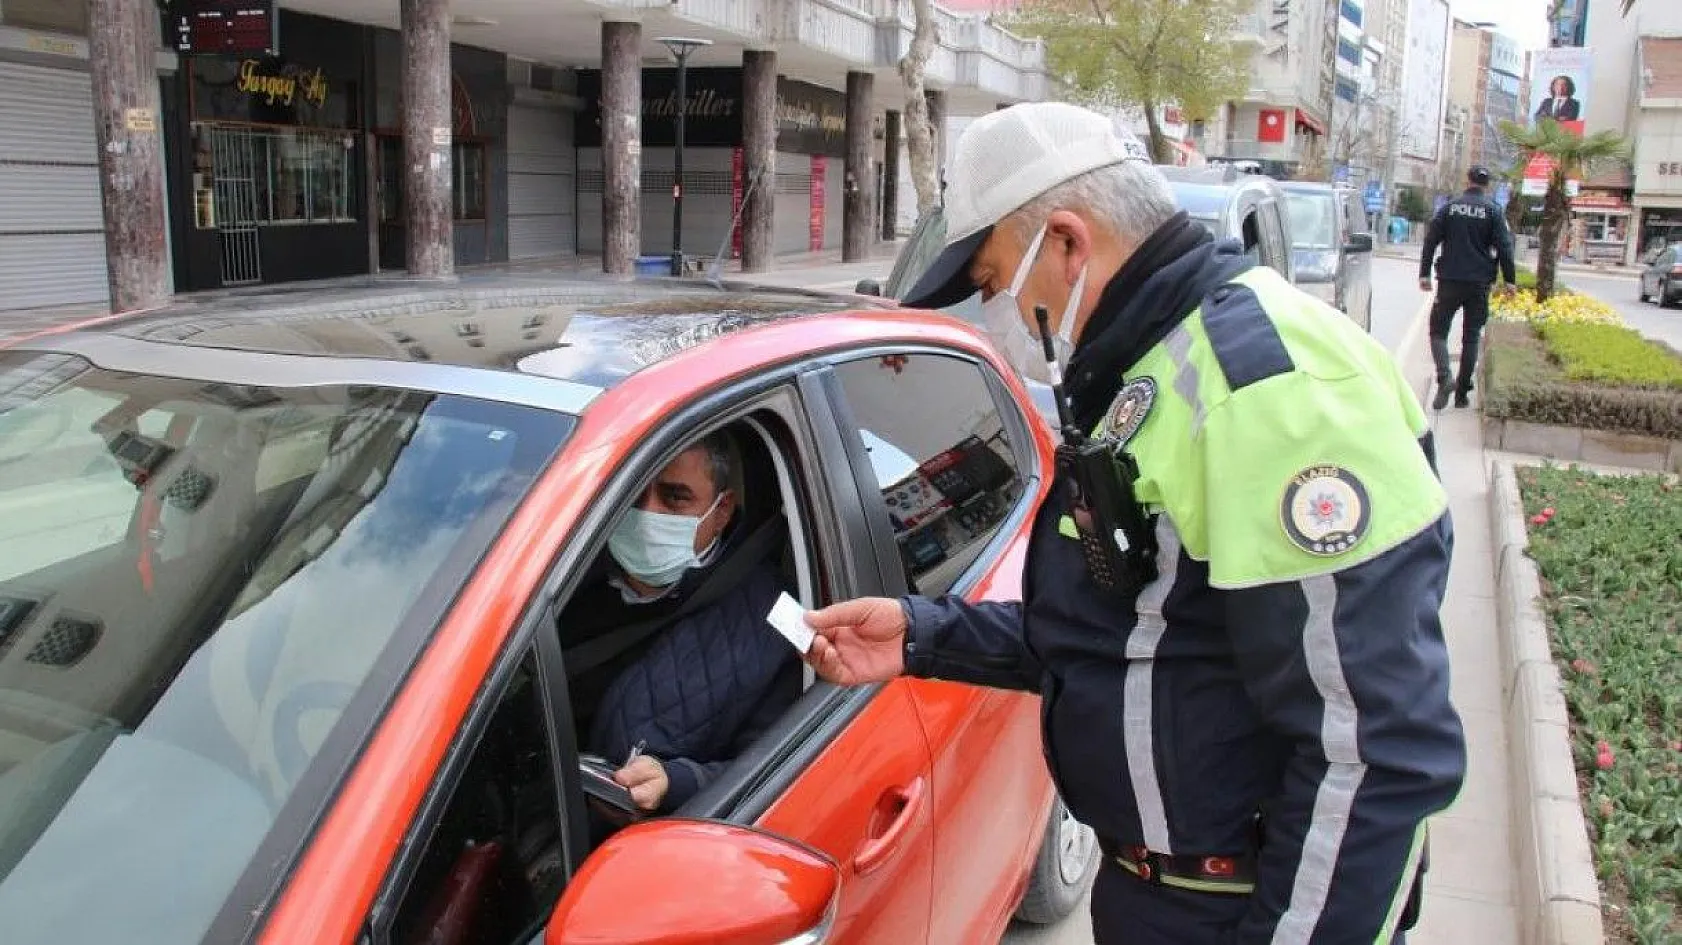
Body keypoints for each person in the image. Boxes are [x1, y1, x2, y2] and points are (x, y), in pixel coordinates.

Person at [800, 102, 1466, 945]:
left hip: (1241, 905)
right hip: (1160, 893)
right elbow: (1133, 630)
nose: (998, 306)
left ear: (1070, 243)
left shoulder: (1264, 389)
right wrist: (920, 635)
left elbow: (1373, 752)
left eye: (998, 279)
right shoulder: (1146, 367)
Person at [558, 431, 800, 816]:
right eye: (633, 495)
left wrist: (675, 782)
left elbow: (778, 769)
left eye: (674, 497)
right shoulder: (561, 569)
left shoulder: (775, 624)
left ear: (721, 512)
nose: (647, 513)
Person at [1419, 165, 1518, 410]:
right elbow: (1505, 248)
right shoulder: (1494, 212)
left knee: (1438, 332)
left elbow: (1431, 240)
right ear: (1487, 185)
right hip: (1479, 283)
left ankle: (1445, 377)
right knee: (1471, 338)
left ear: (1468, 180)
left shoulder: (1450, 208)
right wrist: (1510, 280)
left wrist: (1424, 274)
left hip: (1449, 281)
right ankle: (1462, 393)